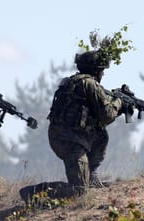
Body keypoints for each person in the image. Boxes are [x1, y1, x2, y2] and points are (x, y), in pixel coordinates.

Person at [47, 50, 126, 195]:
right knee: (79, 191)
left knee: (100, 133)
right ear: (96, 70)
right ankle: (33, 193)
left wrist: (118, 107)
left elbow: (96, 117)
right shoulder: (89, 84)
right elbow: (106, 115)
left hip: (66, 137)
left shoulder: (72, 82)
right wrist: (119, 103)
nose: (103, 74)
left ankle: (91, 177)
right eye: (102, 70)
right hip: (70, 142)